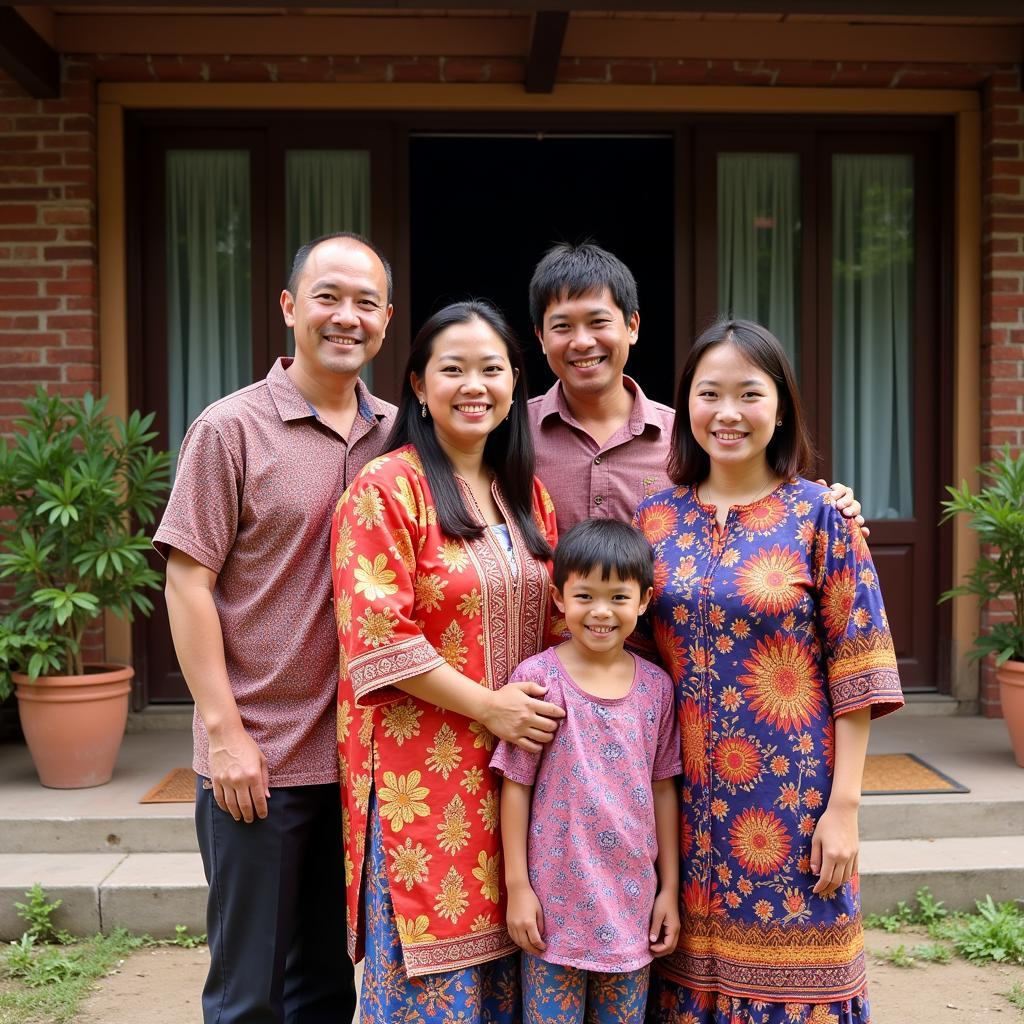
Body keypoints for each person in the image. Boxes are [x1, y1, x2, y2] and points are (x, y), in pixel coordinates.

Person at [633, 318, 904, 1024]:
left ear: (779, 405)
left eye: (748, 394)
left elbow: (860, 668)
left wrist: (843, 809)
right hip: (681, 805)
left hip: (795, 803)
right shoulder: (653, 522)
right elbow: (624, 659)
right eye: (708, 393)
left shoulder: (821, 518)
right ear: (685, 405)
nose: (727, 414)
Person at [156, 231, 396, 1024]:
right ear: (290, 307)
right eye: (328, 296)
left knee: (329, 984)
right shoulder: (231, 429)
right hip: (257, 757)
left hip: (360, 761)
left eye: (365, 303)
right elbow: (187, 579)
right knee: (248, 994)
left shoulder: (399, 435)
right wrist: (223, 732)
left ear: (387, 320)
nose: (346, 317)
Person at [331, 300, 565, 1023]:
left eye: (492, 369)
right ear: (418, 386)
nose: (475, 385)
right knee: (430, 997)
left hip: (522, 783)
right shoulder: (384, 489)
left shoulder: (527, 496)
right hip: (421, 789)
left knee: (511, 986)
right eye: (453, 369)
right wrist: (490, 706)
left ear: (515, 384)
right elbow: (376, 636)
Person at [526, 241, 866, 535]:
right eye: (563, 326)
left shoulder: (691, 436)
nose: (582, 341)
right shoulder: (514, 434)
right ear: (541, 338)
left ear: (632, 326)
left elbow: (761, 498)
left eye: (598, 322)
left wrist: (826, 509)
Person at [491, 518, 683, 1024]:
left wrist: (668, 890)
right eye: (585, 596)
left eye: (618, 597)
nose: (601, 612)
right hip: (552, 909)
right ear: (559, 598)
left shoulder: (657, 689)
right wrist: (518, 888)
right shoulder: (538, 679)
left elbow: (664, 790)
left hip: (631, 904)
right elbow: (515, 787)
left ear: (643, 602)